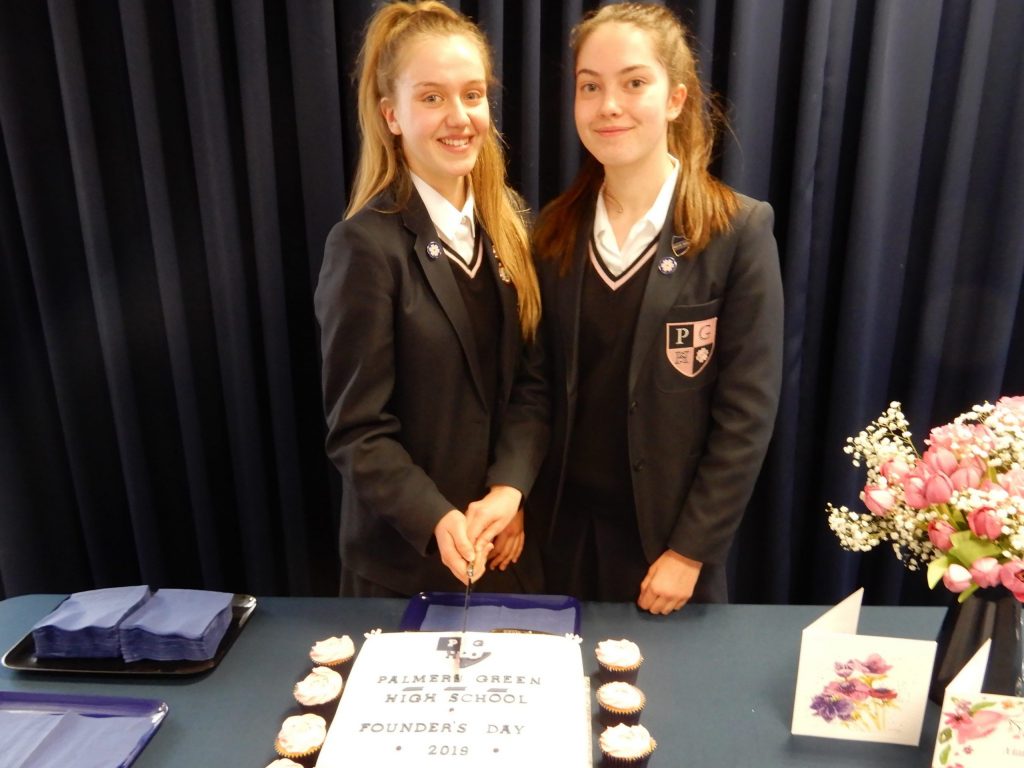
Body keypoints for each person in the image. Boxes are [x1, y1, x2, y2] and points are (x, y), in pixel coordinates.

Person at [531, 2, 783, 614]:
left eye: (633, 83)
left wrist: (691, 550)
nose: (608, 105)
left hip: (665, 552)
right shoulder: (552, 231)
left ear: (675, 98)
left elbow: (746, 412)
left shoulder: (736, 229)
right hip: (555, 537)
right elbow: (531, 386)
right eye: (590, 87)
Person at [314, 1, 547, 597]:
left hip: (503, 553)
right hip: (405, 566)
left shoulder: (514, 227)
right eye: (432, 97)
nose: (460, 116)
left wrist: (509, 489)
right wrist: (437, 518)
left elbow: (532, 384)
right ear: (392, 115)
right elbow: (358, 431)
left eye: (472, 94)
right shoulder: (364, 246)